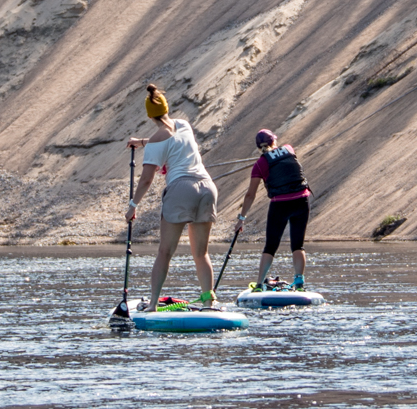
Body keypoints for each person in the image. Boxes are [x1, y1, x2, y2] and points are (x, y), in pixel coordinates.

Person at [125, 84, 219, 310]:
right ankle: (208, 302)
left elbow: (146, 180)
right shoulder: (184, 125)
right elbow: (170, 138)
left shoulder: (156, 142)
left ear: (149, 115)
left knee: (165, 252)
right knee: (201, 253)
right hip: (207, 187)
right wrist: (143, 141)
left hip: (180, 189)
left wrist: (133, 205)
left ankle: (153, 305)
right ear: (167, 109)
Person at [233, 128, 312, 290]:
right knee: (298, 244)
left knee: (270, 246)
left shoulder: (259, 165)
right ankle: (299, 281)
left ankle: (260, 284)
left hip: (280, 204)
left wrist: (241, 219)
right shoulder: (289, 149)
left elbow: (250, 195)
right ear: (274, 141)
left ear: (258, 147)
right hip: (302, 201)